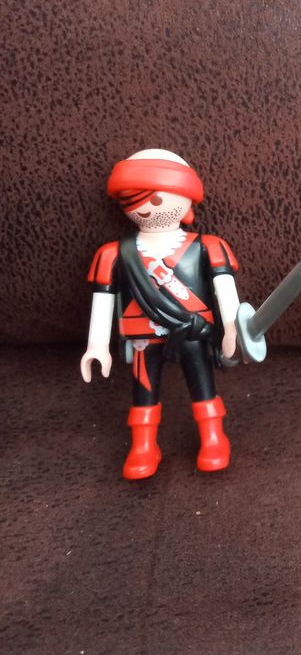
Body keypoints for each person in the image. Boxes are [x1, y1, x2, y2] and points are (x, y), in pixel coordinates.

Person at [80, 149, 240, 479]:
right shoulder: (114, 253)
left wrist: (232, 329)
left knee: (202, 383)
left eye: (155, 198)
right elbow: (103, 298)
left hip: (193, 330)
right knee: (143, 390)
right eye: (133, 200)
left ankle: (213, 438)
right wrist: (97, 345)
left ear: (186, 197)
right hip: (142, 335)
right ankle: (143, 445)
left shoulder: (209, 246)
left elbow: (226, 292)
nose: (146, 208)